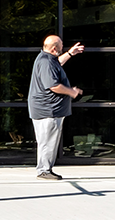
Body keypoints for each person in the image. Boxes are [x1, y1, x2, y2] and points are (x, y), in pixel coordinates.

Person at [27, 33, 85, 180]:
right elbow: (53, 85)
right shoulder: (46, 62)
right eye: (60, 47)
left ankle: (45, 169)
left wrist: (70, 54)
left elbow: (57, 63)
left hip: (47, 109)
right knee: (47, 142)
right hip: (49, 110)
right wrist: (72, 92)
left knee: (46, 141)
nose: (62, 49)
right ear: (54, 49)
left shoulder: (47, 59)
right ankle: (44, 170)